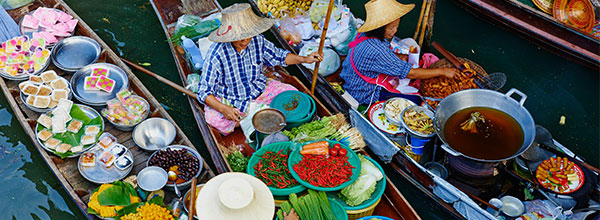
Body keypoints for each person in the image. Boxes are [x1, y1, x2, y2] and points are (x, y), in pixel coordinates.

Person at [198, 3, 321, 135]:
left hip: (259, 90)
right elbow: (204, 91)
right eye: (240, 37)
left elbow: (279, 56)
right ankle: (258, 115)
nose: (245, 41)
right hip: (232, 99)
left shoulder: (257, 40)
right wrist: (223, 109)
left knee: (291, 92)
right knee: (214, 120)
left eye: (248, 35)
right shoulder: (216, 54)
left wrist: (304, 59)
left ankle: (254, 116)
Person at [340, 0, 458, 105]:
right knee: (417, 101)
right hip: (362, 92)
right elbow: (410, 73)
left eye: (396, 26)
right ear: (379, 28)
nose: (395, 31)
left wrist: (397, 56)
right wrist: (442, 71)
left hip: (353, 80)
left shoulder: (366, 35)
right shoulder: (377, 50)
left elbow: (375, 59)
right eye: (391, 28)